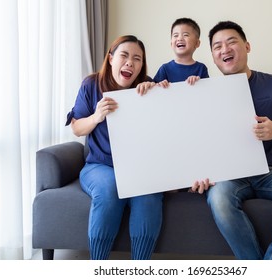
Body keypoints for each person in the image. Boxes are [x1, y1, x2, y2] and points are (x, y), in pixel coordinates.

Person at [190, 21, 272, 260]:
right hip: (229, 175)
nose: (225, 49)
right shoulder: (203, 91)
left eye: (232, 42)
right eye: (217, 46)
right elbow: (195, 140)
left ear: (247, 46)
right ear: (213, 55)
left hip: (269, 171)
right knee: (219, 199)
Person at [66, 35, 162, 260]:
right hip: (99, 165)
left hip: (139, 168)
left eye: (137, 59)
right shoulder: (91, 84)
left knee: (149, 194)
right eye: (124, 55)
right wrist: (96, 116)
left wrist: (156, 94)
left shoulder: (147, 87)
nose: (130, 62)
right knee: (109, 188)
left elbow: (162, 133)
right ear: (111, 58)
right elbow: (77, 129)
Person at [153, 17, 209, 86]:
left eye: (185, 35)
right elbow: (154, 91)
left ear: (197, 43)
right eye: (175, 35)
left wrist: (198, 83)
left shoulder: (201, 68)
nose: (179, 38)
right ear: (171, 43)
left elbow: (206, 91)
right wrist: (160, 85)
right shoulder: (165, 68)